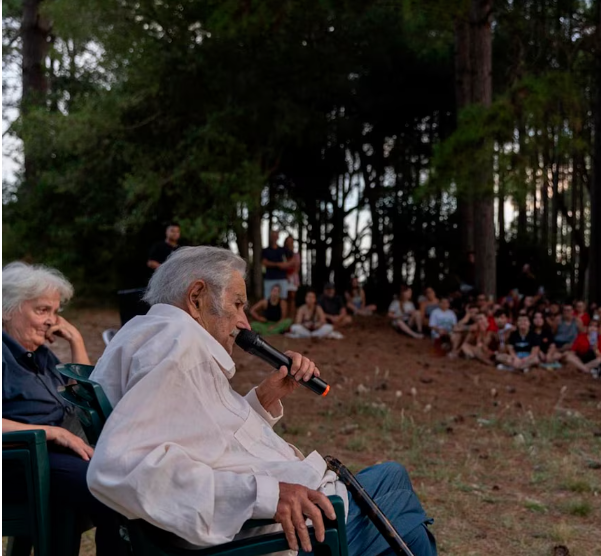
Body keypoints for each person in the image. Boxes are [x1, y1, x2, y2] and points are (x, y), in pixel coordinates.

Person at [87, 246, 437, 554]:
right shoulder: (178, 346)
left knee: (392, 478)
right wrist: (269, 495)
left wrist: (265, 398)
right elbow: (123, 466)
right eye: (237, 305)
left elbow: (207, 438)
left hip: (269, 515)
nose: (245, 323)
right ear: (196, 298)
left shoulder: (152, 334)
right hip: (270, 534)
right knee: (403, 511)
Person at [2, 262, 123, 554]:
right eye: (42, 310)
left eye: (55, 312)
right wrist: (52, 432)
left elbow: (87, 395)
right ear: (7, 309)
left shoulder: (39, 354)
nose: (51, 321)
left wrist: (76, 340)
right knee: (114, 489)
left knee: (128, 475)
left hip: (56, 458)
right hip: (21, 464)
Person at [261, 230, 291, 302]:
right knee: (268, 299)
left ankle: (283, 313)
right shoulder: (266, 250)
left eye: (276, 236)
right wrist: (278, 264)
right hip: (269, 278)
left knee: (283, 299)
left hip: (282, 278)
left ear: (278, 237)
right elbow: (264, 262)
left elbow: (293, 260)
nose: (274, 237)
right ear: (271, 237)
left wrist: (286, 265)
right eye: (273, 236)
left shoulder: (283, 250)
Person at [282, 236, 301, 319]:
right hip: (284, 277)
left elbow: (297, 267)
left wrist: (291, 275)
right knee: (285, 297)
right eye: (288, 241)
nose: (290, 243)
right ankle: (284, 316)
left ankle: (292, 316)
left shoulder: (296, 255)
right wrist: (286, 275)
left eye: (291, 241)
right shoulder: (283, 254)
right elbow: (282, 266)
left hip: (293, 278)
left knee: (292, 297)